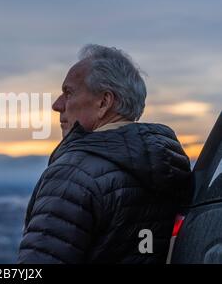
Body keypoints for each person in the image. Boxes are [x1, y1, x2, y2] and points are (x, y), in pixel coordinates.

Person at [18, 44, 193, 263]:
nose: (57, 105)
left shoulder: (74, 174)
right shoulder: (167, 170)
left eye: (68, 92)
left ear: (104, 102)